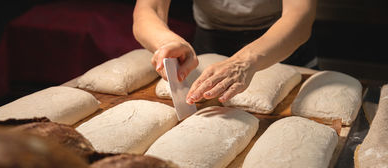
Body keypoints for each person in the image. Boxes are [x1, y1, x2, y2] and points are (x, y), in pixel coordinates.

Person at [133, 0, 317, 104]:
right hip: (210, 41)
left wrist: (244, 61)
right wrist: (167, 42)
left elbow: (300, 17)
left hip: (280, 43)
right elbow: (149, 9)